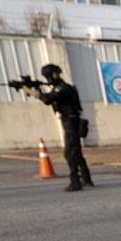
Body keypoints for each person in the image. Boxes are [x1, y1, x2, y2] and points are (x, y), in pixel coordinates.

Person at [24, 63, 93, 192]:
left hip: (71, 122)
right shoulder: (61, 88)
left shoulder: (63, 88)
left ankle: (75, 182)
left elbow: (47, 99)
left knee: (70, 153)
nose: (48, 80)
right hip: (71, 120)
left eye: (49, 76)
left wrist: (33, 92)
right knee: (76, 152)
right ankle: (86, 179)